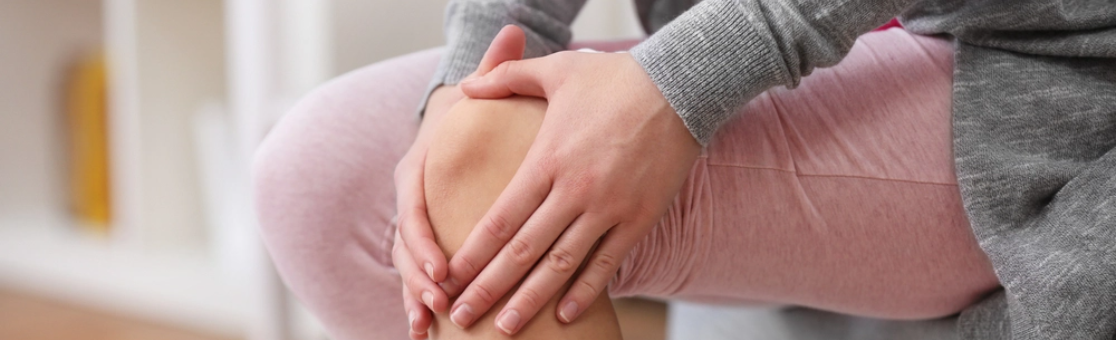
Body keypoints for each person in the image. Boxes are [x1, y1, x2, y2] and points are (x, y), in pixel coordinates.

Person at [252, 1, 1116, 340]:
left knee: (490, 178)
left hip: (1028, 57)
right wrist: (469, 69)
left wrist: (679, 87)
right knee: (318, 178)